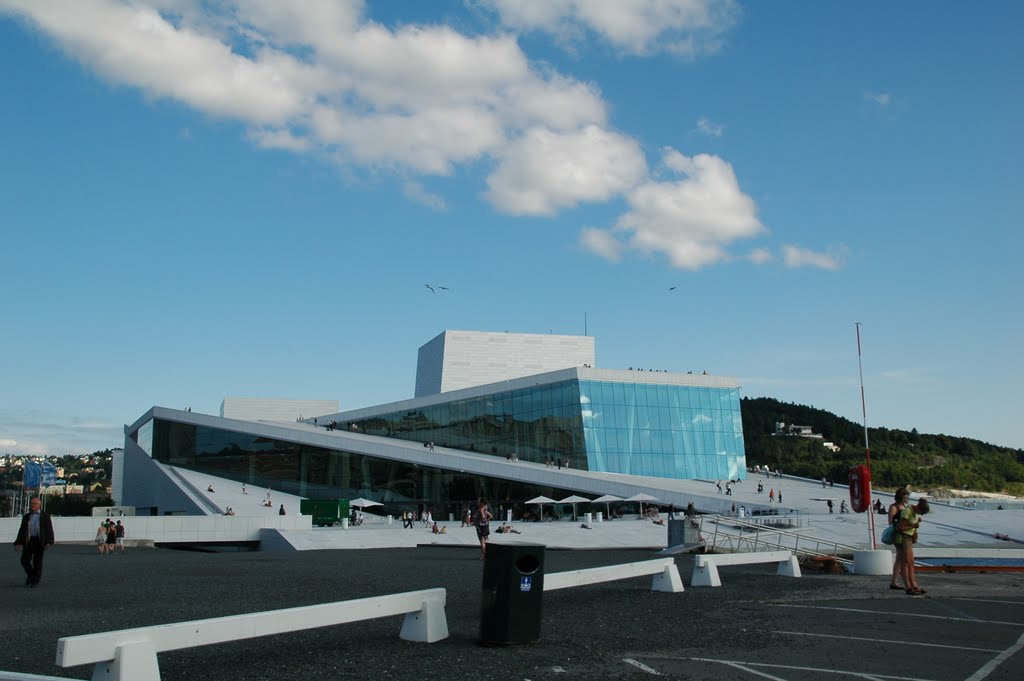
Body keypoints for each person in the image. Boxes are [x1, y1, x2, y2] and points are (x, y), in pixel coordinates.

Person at [14, 496, 55, 587]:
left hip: (39, 541)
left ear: (39, 505)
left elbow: (49, 529)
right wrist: (17, 542)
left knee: (37, 562)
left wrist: (49, 542)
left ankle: (35, 580)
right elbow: (22, 530)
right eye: (32, 503)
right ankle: (31, 576)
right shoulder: (27, 516)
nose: (32, 505)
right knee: (24, 560)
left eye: (35, 504)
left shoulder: (45, 516)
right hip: (29, 540)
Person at [895, 497, 930, 595]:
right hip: (903, 537)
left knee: (911, 562)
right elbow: (899, 527)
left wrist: (914, 532)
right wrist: (913, 526)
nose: (921, 514)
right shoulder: (907, 511)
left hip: (909, 537)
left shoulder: (915, 513)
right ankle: (908, 586)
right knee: (905, 563)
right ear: (918, 507)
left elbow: (914, 524)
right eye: (921, 512)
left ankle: (914, 585)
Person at [887, 488, 910, 590]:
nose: (907, 499)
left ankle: (894, 581)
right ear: (902, 497)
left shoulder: (904, 506)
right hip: (897, 534)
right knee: (901, 557)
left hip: (905, 533)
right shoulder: (894, 506)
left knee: (899, 558)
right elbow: (891, 522)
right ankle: (896, 581)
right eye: (906, 497)